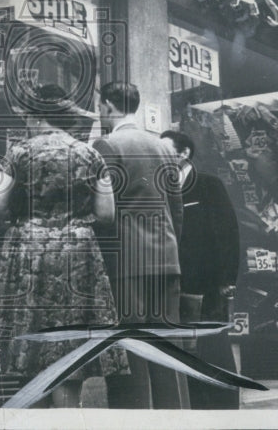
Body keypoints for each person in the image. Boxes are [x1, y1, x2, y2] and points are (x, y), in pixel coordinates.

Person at [0, 84, 127, 408]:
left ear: (34, 116)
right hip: (78, 252)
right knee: (69, 353)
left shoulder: (18, 152)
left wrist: (21, 225)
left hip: (28, 249)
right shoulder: (91, 153)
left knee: (28, 352)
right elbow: (106, 214)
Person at [93, 82, 184, 410]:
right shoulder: (163, 145)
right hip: (166, 258)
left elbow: (104, 210)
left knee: (128, 351)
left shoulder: (107, 145)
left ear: (106, 106)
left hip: (128, 262)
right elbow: (177, 208)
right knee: (164, 350)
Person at [160, 129, 241, 409]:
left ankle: (226, 408)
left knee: (214, 345)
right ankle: (195, 406)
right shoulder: (161, 189)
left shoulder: (208, 184)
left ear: (184, 153)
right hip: (176, 281)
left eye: (166, 150)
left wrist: (228, 277)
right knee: (186, 346)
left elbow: (228, 233)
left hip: (208, 282)